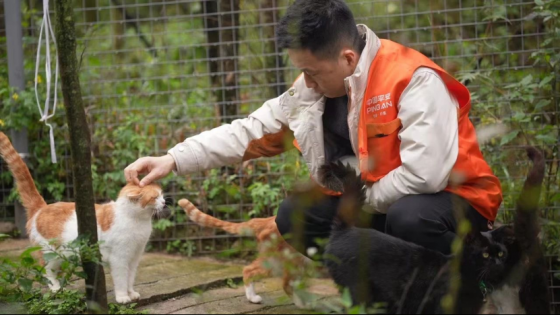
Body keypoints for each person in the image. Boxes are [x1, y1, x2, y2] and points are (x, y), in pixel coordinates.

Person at [124, 0, 502, 256]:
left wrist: (358, 202)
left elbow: (426, 176)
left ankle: (479, 275)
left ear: (347, 58)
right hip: (379, 200)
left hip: (454, 202)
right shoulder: (313, 89)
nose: (305, 79)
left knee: (410, 216)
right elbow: (250, 130)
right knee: (295, 215)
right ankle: (379, 293)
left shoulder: (413, 79)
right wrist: (173, 159)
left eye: (311, 71)